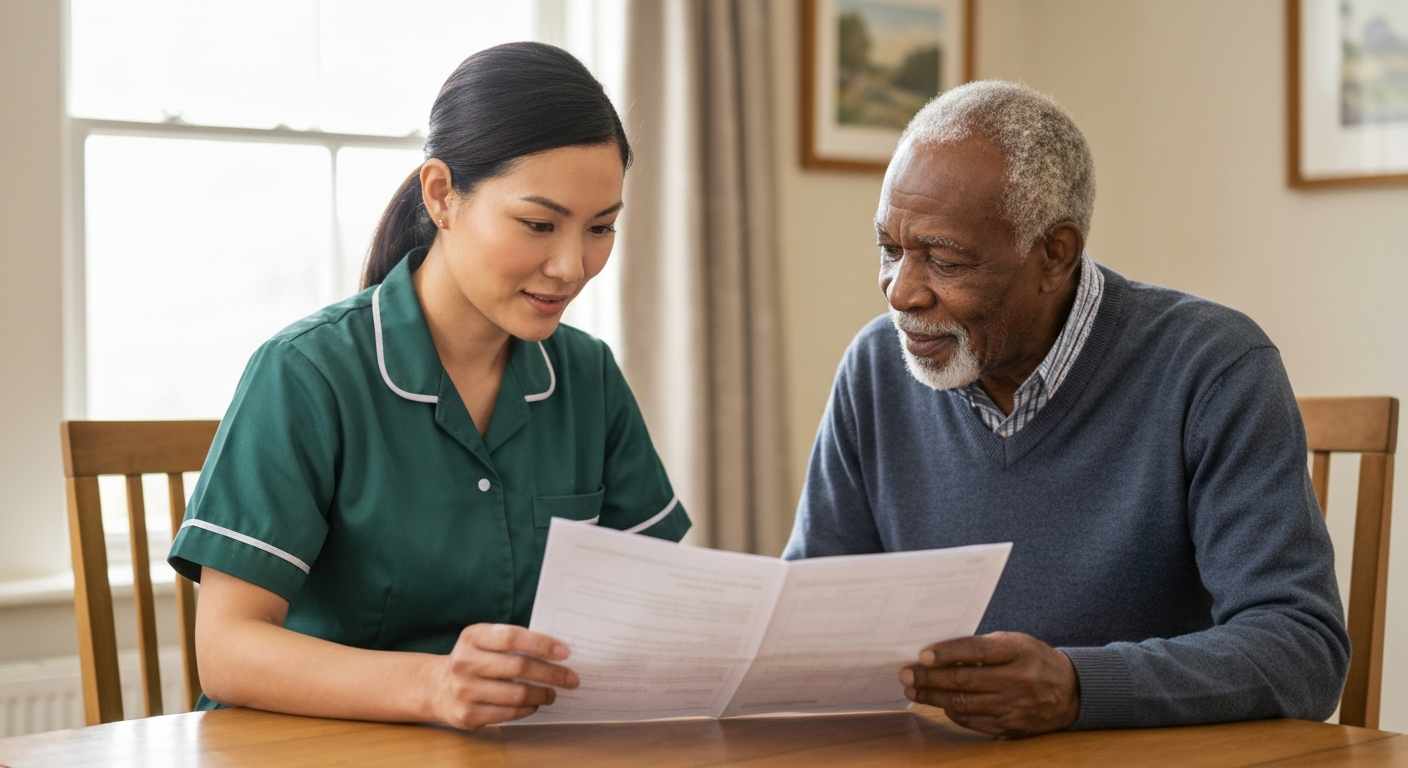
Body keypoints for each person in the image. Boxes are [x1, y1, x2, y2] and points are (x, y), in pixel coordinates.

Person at [784, 81, 1348, 738]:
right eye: (890, 249)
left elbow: (1302, 651)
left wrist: (1078, 687)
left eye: (943, 258)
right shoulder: (877, 367)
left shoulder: (1212, 366)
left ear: (1056, 254)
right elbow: (811, 618)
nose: (901, 291)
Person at [167, 42, 690, 730]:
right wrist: (435, 685)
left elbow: (657, 604)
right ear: (442, 195)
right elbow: (228, 652)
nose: (572, 265)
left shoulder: (587, 375)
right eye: (538, 224)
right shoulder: (306, 373)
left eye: (601, 228)